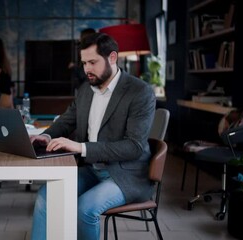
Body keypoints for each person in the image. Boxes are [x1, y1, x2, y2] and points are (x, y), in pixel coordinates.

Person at [30, 32, 156, 240]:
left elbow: (134, 146)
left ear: (112, 58)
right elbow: (67, 120)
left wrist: (81, 147)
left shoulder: (139, 92)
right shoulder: (87, 89)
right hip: (91, 169)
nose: (87, 69)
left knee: (85, 209)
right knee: (46, 197)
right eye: (84, 63)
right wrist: (46, 136)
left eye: (92, 62)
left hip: (126, 174)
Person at [69, 28, 96, 92]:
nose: (79, 39)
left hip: (88, 82)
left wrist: (74, 67)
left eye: (81, 37)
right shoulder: (84, 48)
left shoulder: (89, 50)